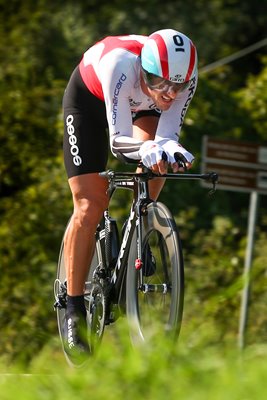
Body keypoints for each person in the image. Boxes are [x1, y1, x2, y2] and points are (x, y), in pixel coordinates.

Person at [62, 28, 198, 363]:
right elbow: (118, 141)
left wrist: (169, 148)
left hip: (140, 104)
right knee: (90, 204)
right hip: (90, 104)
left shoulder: (185, 80)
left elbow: (167, 135)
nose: (169, 93)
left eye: (177, 86)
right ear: (145, 67)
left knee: (158, 162)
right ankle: (73, 307)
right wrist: (147, 146)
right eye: (161, 82)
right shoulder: (120, 65)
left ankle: (141, 228)